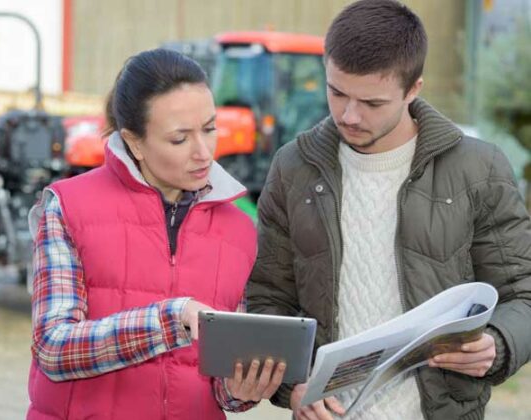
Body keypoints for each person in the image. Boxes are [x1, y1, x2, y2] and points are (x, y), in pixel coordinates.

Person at [246, 1, 531, 419]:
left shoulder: (479, 169)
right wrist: (294, 387)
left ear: (414, 88)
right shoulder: (293, 168)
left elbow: (523, 293)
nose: (349, 114)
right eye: (336, 92)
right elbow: (269, 299)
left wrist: (499, 342)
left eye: (372, 103)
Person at [26, 48, 285, 420]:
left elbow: (221, 389)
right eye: (180, 139)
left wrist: (240, 390)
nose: (203, 153)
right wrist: (170, 319)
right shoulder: (68, 207)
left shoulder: (240, 229)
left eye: (210, 129)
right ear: (134, 142)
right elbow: (53, 349)